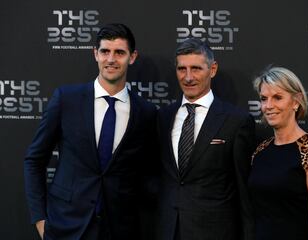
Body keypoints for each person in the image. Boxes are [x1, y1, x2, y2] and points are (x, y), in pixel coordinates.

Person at [24, 23, 157, 240]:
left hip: (120, 229)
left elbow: (150, 173)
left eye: (119, 53)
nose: (111, 59)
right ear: (95, 54)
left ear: (132, 57)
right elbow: (34, 160)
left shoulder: (146, 112)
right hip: (65, 226)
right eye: (105, 51)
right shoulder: (66, 100)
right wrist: (40, 219)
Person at [156, 38, 256, 240]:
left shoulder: (236, 121)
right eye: (182, 69)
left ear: (213, 69)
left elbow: (244, 190)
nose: (188, 77)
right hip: (167, 230)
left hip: (215, 232)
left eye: (196, 68)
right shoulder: (163, 116)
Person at [248, 66, 308, 240]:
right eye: (263, 99)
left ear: (296, 102)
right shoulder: (261, 151)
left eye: (278, 98)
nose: (268, 106)